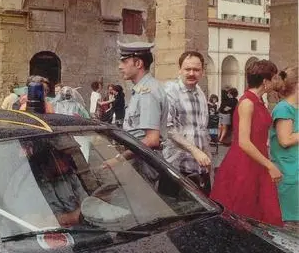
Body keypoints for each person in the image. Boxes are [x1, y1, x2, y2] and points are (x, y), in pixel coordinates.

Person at [210, 60, 283, 226]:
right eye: (273, 78)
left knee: (258, 209)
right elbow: (244, 141)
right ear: (265, 81)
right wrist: (270, 165)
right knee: (244, 209)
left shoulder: (256, 101)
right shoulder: (248, 103)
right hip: (245, 162)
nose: (274, 82)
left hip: (255, 160)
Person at [163, 51, 212, 194]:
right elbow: (168, 129)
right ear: (180, 70)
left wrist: (208, 162)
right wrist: (194, 150)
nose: (191, 73)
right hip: (176, 169)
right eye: (187, 69)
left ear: (202, 71)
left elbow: (202, 131)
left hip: (199, 169)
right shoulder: (170, 91)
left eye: (196, 70)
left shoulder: (200, 93)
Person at [117, 41, 168, 150]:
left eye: (124, 62)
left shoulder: (147, 92)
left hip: (144, 161)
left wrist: (118, 159)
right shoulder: (142, 89)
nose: (120, 66)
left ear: (138, 64)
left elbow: (152, 139)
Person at [269, 66, 299, 228]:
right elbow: (285, 139)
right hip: (289, 177)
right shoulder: (284, 108)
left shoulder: (295, 108)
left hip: (295, 176)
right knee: (291, 229)